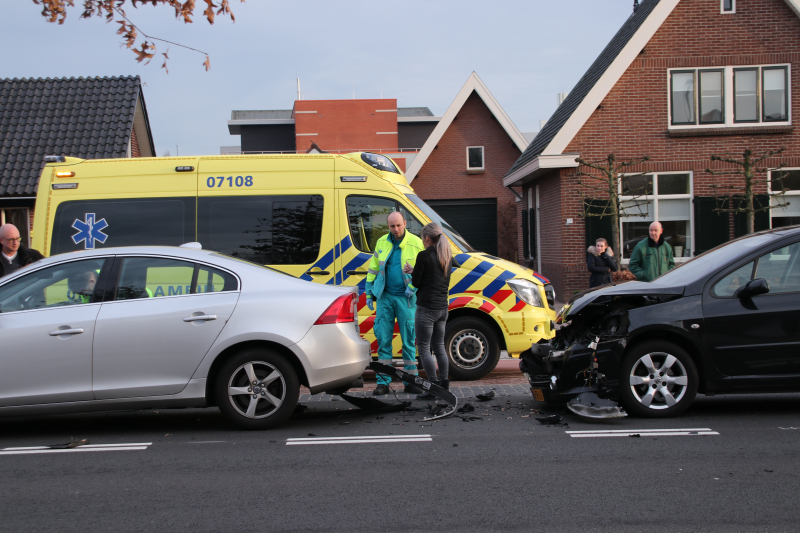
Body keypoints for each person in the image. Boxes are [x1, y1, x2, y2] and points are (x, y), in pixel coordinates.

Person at [365, 211, 425, 396]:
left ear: (405, 223)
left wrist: (413, 287)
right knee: (383, 340)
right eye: (392, 226)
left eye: (399, 225)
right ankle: (383, 383)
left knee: (408, 341)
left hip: (407, 298)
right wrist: (369, 292)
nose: (396, 229)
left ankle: (410, 382)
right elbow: (373, 269)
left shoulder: (416, 243)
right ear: (388, 226)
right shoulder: (382, 242)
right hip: (385, 297)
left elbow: (424, 270)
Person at [402, 222, 454, 400]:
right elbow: (433, 276)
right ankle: (444, 385)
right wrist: (415, 271)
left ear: (426, 238)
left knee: (424, 348)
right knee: (439, 347)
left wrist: (410, 278)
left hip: (426, 309)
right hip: (442, 309)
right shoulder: (446, 255)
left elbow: (417, 283)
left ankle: (432, 388)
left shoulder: (424, 255)